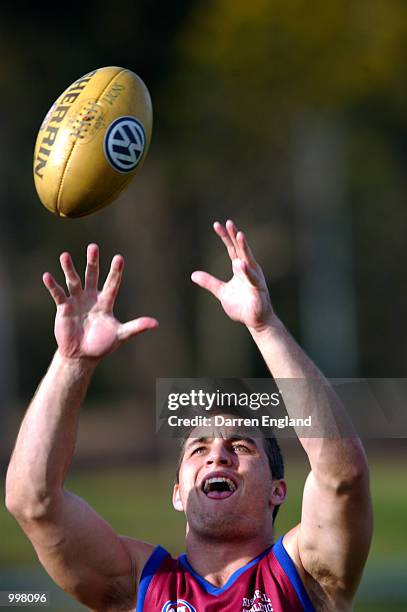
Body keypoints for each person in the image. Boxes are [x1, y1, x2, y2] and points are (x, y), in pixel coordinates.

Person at [5, 220, 372, 612]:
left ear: (277, 491)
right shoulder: (140, 587)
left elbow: (342, 477)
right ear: (178, 493)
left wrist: (265, 328)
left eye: (241, 446)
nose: (217, 455)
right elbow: (33, 501)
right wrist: (71, 362)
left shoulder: (305, 576)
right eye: (198, 449)